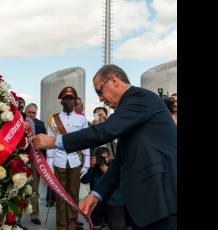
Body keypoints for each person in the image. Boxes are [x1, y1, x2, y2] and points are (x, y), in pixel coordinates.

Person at [32, 64, 177, 229]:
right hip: (148, 205)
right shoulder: (130, 109)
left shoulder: (140, 98)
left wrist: (55, 141)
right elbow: (121, 162)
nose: (100, 98)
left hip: (162, 200)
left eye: (99, 91)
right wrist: (96, 194)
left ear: (114, 81)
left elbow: (103, 131)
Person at [46, 86, 90, 230]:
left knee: (73, 197)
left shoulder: (82, 119)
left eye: (71, 98)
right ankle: (61, 227)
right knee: (60, 197)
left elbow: (85, 141)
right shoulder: (54, 119)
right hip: (58, 162)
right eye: (66, 99)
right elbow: (50, 141)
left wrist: (87, 162)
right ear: (62, 101)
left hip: (75, 162)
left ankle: (71, 226)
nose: (69, 101)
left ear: (75, 101)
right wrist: (49, 163)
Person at [81, 147, 128, 230]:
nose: (102, 160)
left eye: (105, 157)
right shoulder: (94, 168)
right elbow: (84, 180)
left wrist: (104, 167)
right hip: (98, 202)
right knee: (90, 204)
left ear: (110, 157)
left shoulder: (115, 166)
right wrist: (89, 166)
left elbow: (119, 181)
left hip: (114, 201)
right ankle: (98, 223)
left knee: (118, 227)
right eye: (100, 158)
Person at [24, 103, 47, 225]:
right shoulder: (19, 122)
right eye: (29, 112)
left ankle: (34, 215)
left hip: (35, 160)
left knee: (34, 189)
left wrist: (44, 163)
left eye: (34, 112)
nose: (31, 114)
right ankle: (16, 215)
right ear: (25, 111)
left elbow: (44, 144)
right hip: (20, 159)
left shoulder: (40, 124)